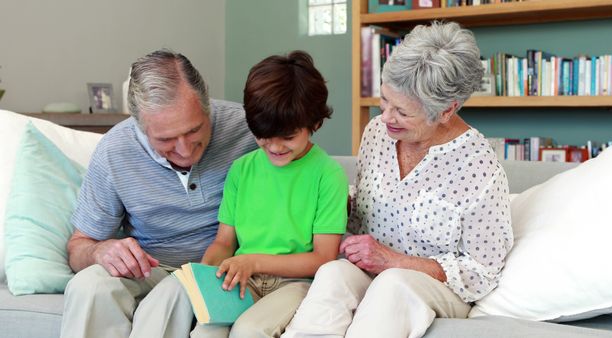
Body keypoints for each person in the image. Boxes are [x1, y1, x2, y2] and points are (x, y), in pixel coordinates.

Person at [283, 21, 514, 338]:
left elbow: (482, 271)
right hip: (371, 272)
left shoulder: (478, 167)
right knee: (333, 273)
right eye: (384, 100)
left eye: (403, 112)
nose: (387, 117)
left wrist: (393, 260)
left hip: (434, 286)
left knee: (394, 283)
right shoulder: (377, 132)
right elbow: (362, 212)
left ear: (447, 110)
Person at [60, 49, 257, 338]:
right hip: (149, 270)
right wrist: (98, 250)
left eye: (194, 131)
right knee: (88, 285)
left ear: (207, 106)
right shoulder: (115, 150)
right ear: (139, 126)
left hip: (222, 270)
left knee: (175, 293)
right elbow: (79, 247)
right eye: (165, 139)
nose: (184, 150)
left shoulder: (248, 129)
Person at [192, 50, 348, 338]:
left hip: (295, 284)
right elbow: (224, 241)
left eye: (288, 137)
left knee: (249, 331)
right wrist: (205, 274)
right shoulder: (241, 170)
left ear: (315, 123)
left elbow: (323, 258)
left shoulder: (328, 175)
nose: (275, 147)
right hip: (243, 279)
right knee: (204, 332)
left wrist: (253, 261)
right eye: (263, 136)